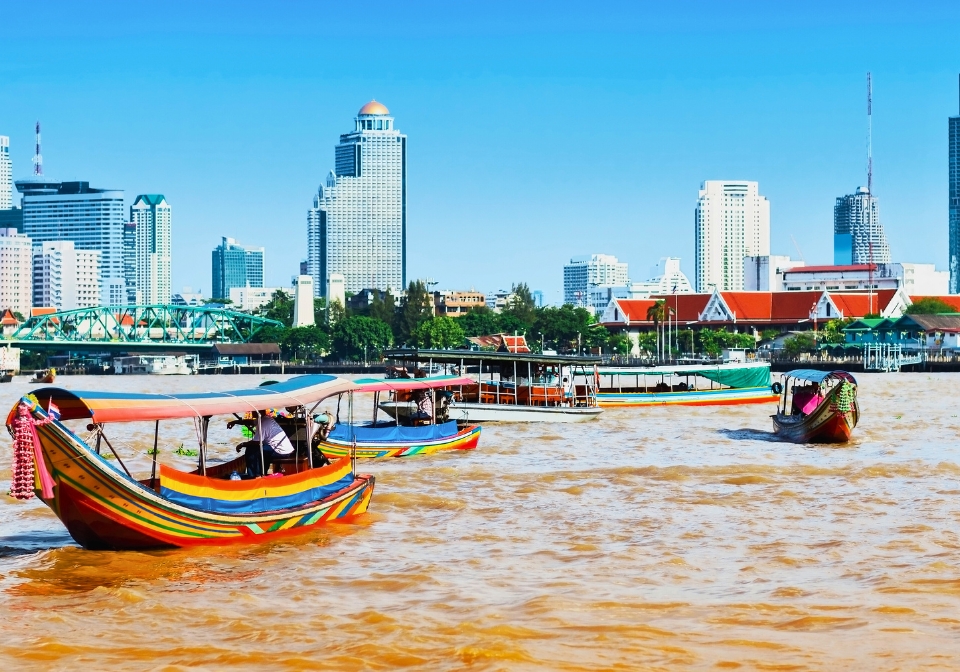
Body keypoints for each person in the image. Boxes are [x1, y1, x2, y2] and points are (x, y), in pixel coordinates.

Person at [229, 410, 295, 477]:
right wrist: (235, 422)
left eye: (254, 411)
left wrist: (242, 444)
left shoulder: (263, 423)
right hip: (281, 448)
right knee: (260, 449)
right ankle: (262, 473)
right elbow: (251, 422)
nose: (252, 412)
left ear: (259, 412)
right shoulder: (265, 419)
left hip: (282, 452)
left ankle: (255, 476)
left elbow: (256, 442)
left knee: (251, 450)